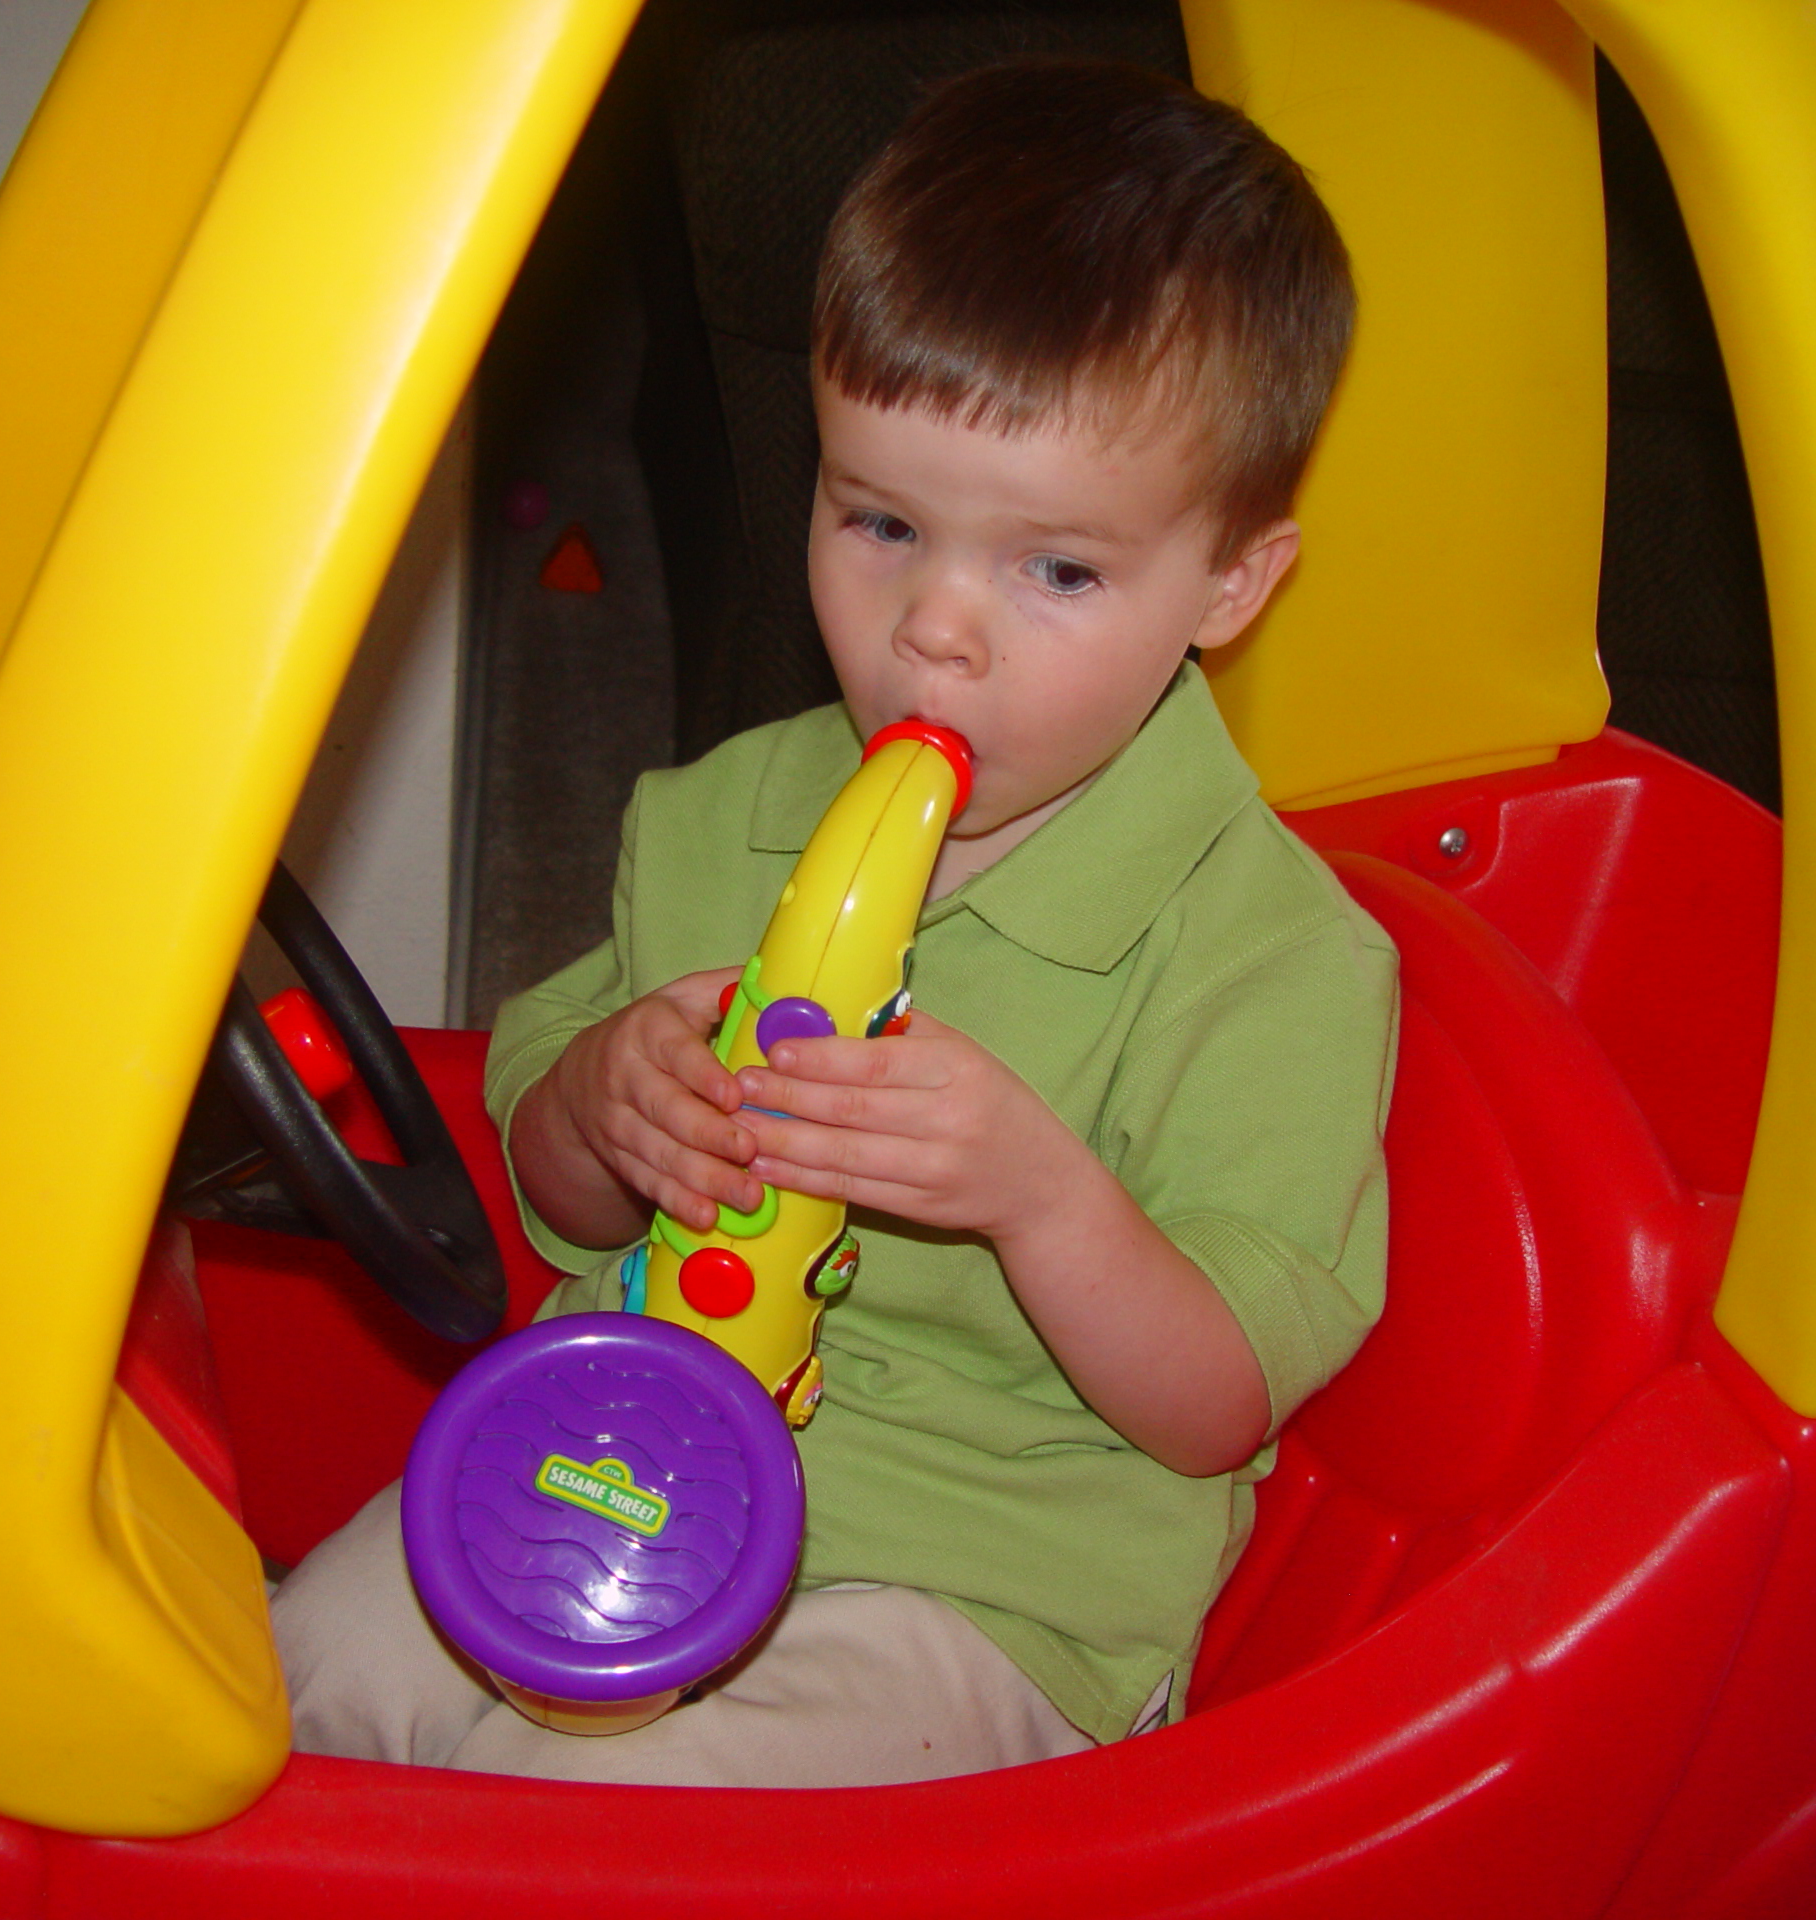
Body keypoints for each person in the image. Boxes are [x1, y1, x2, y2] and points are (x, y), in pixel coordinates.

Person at [272, 55, 1397, 1788]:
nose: (932, 630)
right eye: (879, 521)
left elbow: (1217, 1403)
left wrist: (1038, 1195)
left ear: (1229, 587)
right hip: (624, 1459)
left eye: (1059, 572)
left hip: (982, 1587)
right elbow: (546, 1188)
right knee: (290, 1687)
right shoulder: (717, 814)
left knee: (596, 1820)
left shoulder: (1271, 951)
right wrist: (599, 1107)